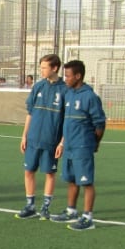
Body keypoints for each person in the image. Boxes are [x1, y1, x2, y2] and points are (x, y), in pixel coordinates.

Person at [49, 60, 106, 231]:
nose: (65, 78)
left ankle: (88, 217)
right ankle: (71, 211)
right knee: (71, 180)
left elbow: (100, 124)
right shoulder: (69, 93)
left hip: (83, 146)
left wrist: (94, 143)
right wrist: (63, 142)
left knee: (86, 182)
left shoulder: (90, 97)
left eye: (67, 75)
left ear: (78, 76)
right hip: (70, 146)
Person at [16, 53, 65, 220]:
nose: (41, 70)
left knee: (49, 173)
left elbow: (67, 119)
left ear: (55, 68)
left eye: (44, 67)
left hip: (51, 140)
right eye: (41, 67)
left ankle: (45, 207)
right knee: (28, 171)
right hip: (33, 139)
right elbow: (30, 113)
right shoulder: (38, 87)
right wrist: (24, 136)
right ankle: (30, 205)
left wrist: (62, 142)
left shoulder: (65, 90)